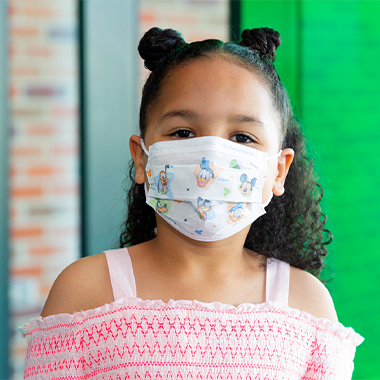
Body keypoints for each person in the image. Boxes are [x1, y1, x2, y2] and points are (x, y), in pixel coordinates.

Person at [20, 27, 363, 379]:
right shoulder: (85, 293)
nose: (211, 156)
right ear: (142, 158)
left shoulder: (306, 305)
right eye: (183, 132)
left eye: (242, 137)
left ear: (278, 171)